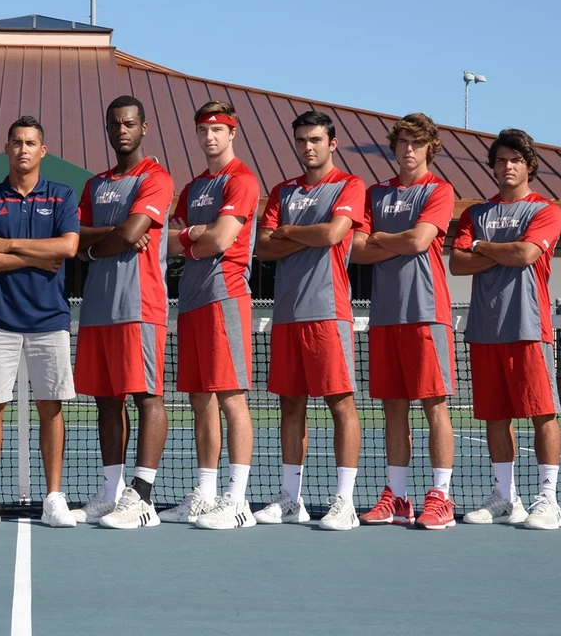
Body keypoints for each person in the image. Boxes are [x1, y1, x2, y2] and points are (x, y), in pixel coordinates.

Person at [0, 116, 80, 528]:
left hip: (50, 320)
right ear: (7, 149)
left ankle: (54, 498)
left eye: (30, 143)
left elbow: (67, 247)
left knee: (51, 407)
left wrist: (8, 245)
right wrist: (35, 257)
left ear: (42, 150)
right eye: (16, 142)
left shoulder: (62, 196)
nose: (23, 149)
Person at [254, 110, 365, 532]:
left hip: (328, 312)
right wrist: (304, 233)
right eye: (301, 140)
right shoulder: (281, 191)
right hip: (287, 315)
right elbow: (264, 248)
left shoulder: (349, 185)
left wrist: (289, 231)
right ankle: (290, 499)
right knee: (290, 405)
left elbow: (333, 234)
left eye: (315, 139)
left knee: (340, 404)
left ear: (332, 143)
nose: (308, 147)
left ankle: (344, 502)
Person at [450, 128, 561, 530]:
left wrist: (481, 247)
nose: (508, 166)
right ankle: (505, 497)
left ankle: (549, 501)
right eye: (501, 160)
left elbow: (525, 254)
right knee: (495, 417)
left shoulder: (545, 210)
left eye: (516, 159)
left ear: (529, 165)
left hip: (528, 327)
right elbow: (457, 263)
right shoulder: (475, 214)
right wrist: (501, 251)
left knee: (542, 413)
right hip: (484, 329)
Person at [351, 113, 459, 530]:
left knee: (435, 407)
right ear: (394, 147)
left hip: (426, 313)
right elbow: (357, 249)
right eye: (403, 142)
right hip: (385, 316)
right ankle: (397, 498)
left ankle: (441, 497)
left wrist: (383, 239)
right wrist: (396, 241)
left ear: (430, 147)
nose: (409, 150)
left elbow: (419, 240)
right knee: (393, 409)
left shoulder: (440, 190)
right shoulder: (375, 193)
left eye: (417, 143)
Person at [72, 95, 174, 530]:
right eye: (115, 124)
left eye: (129, 123)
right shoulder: (95, 184)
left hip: (139, 305)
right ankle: (110, 493)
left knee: (147, 396)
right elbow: (73, 235)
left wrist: (100, 245)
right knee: (106, 401)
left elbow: (134, 230)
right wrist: (110, 236)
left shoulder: (156, 177)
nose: (122, 130)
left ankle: (142, 497)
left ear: (143, 127)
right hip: (97, 307)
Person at [163, 101, 260, 530]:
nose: (210, 137)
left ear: (232, 133)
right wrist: (192, 234)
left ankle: (236, 500)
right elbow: (166, 242)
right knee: (200, 398)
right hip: (191, 299)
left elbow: (221, 240)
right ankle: (204, 494)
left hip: (226, 296)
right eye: (203, 130)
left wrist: (193, 239)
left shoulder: (242, 180)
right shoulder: (192, 188)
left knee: (231, 397)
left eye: (218, 129)